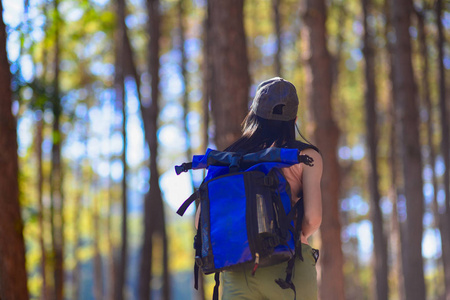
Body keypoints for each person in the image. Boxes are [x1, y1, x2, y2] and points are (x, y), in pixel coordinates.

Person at [217, 77, 323, 300]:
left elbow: (202, 220)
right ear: (294, 119)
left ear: (253, 115)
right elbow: (313, 218)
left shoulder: (228, 158)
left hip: (238, 268)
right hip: (290, 267)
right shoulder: (306, 157)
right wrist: (292, 235)